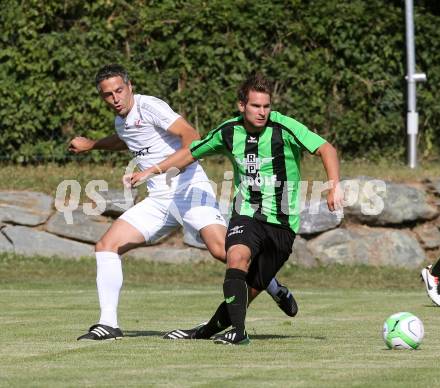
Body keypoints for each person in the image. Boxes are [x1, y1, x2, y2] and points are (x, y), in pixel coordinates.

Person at [69, 64, 297, 341]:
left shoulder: (149, 106)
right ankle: (108, 324)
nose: (115, 98)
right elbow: (125, 139)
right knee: (106, 246)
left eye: (119, 90)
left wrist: (159, 169)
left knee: (224, 251)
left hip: (189, 188)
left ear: (130, 87)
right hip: (159, 199)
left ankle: (273, 286)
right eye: (108, 94)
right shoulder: (122, 121)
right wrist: (92, 145)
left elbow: (189, 135)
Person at [127, 72, 342, 345]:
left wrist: (334, 185)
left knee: (245, 294)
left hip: (283, 225)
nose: (262, 112)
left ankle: (206, 330)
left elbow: (326, 148)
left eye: (266, 106)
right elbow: (191, 152)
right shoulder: (228, 131)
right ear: (242, 105)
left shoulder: (285, 128)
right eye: (255, 106)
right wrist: (152, 170)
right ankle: (239, 334)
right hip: (247, 214)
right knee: (236, 256)